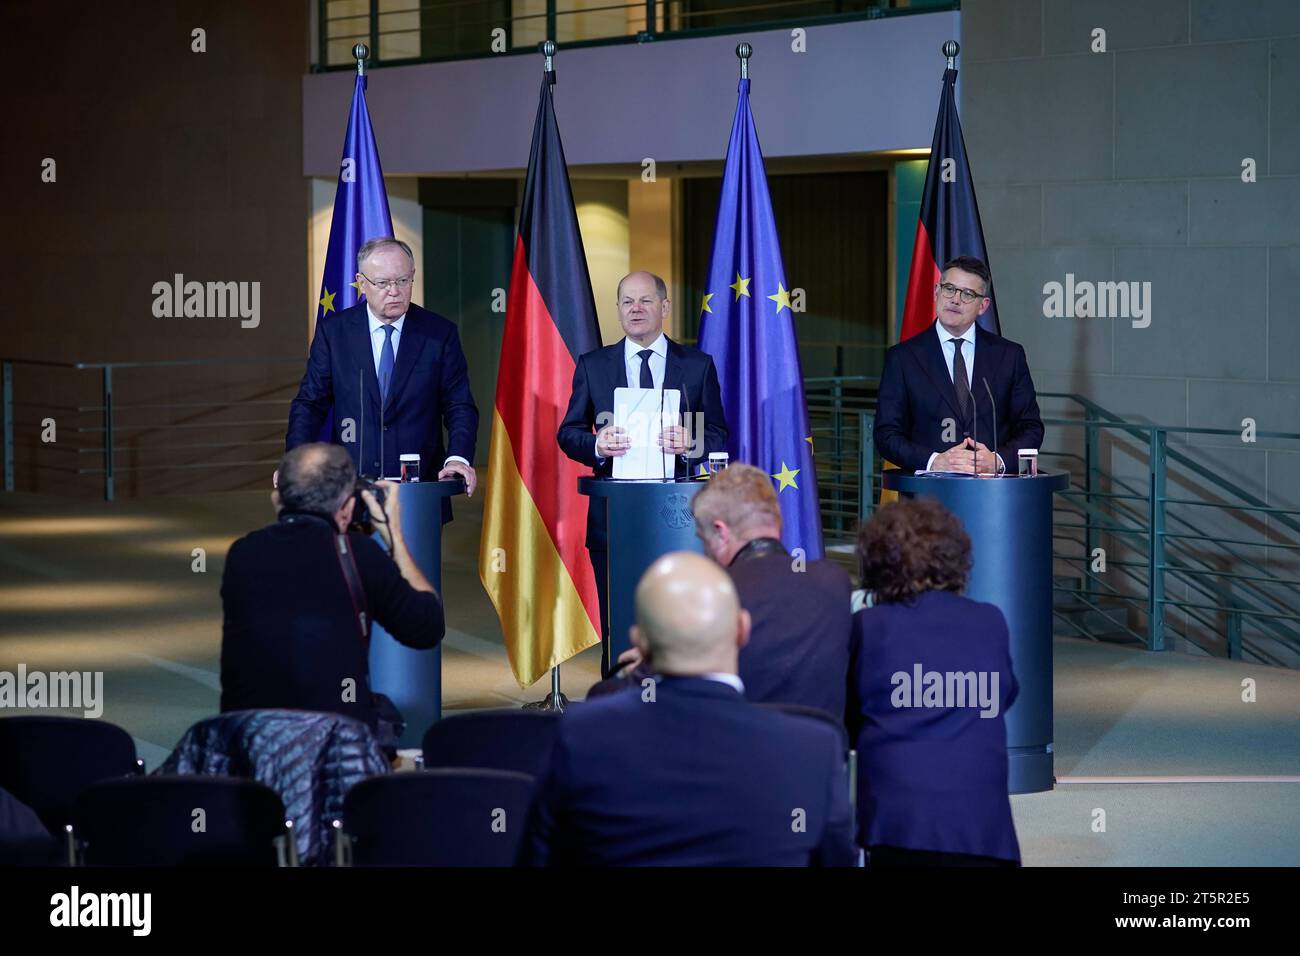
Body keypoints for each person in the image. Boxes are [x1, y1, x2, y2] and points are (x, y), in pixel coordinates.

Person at [521, 552, 856, 867]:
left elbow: (540, 856)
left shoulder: (582, 736)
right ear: (742, 630)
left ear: (640, 642)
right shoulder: (812, 750)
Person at [587, 464, 853, 722]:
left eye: (702, 541)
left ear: (720, 532)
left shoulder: (709, 601)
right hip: (822, 756)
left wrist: (645, 665)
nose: (706, 552)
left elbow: (642, 695)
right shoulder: (836, 583)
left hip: (735, 755)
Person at [557, 271, 727, 673]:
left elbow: (718, 434)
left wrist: (691, 442)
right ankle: (615, 703)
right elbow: (568, 433)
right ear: (617, 309)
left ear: (664, 308)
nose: (635, 309)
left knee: (676, 618)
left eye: (645, 301)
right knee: (619, 621)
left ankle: (677, 699)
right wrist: (598, 445)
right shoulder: (594, 365)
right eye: (627, 302)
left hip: (678, 518)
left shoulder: (697, 366)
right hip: (614, 520)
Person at [220, 443, 444, 745]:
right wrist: (395, 536)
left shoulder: (242, 555)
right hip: (334, 746)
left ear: (277, 499)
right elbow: (427, 626)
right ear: (348, 508)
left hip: (252, 744)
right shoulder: (358, 554)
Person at [849, 497, 1021, 866]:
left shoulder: (869, 626)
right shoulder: (990, 621)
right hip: (983, 831)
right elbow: (1004, 696)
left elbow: (848, 716)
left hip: (899, 828)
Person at [286, 236, 479, 521]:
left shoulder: (439, 334)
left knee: (413, 568)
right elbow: (310, 403)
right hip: (350, 493)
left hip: (419, 491)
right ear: (362, 282)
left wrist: (458, 458)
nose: (395, 291)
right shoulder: (335, 333)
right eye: (383, 283)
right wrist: (295, 461)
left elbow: (459, 405)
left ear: (413, 276)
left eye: (403, 281)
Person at [874, 256, 1043, 475]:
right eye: (949, 289)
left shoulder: (1009, 356)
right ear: (936, 291)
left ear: (983, 306)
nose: (955, 300)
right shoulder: (902, 358)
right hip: (926, 497)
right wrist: (934, 461)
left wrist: (997, 461)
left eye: (967, 294)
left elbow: (1031, 427)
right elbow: (886, 433)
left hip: (993, 495)